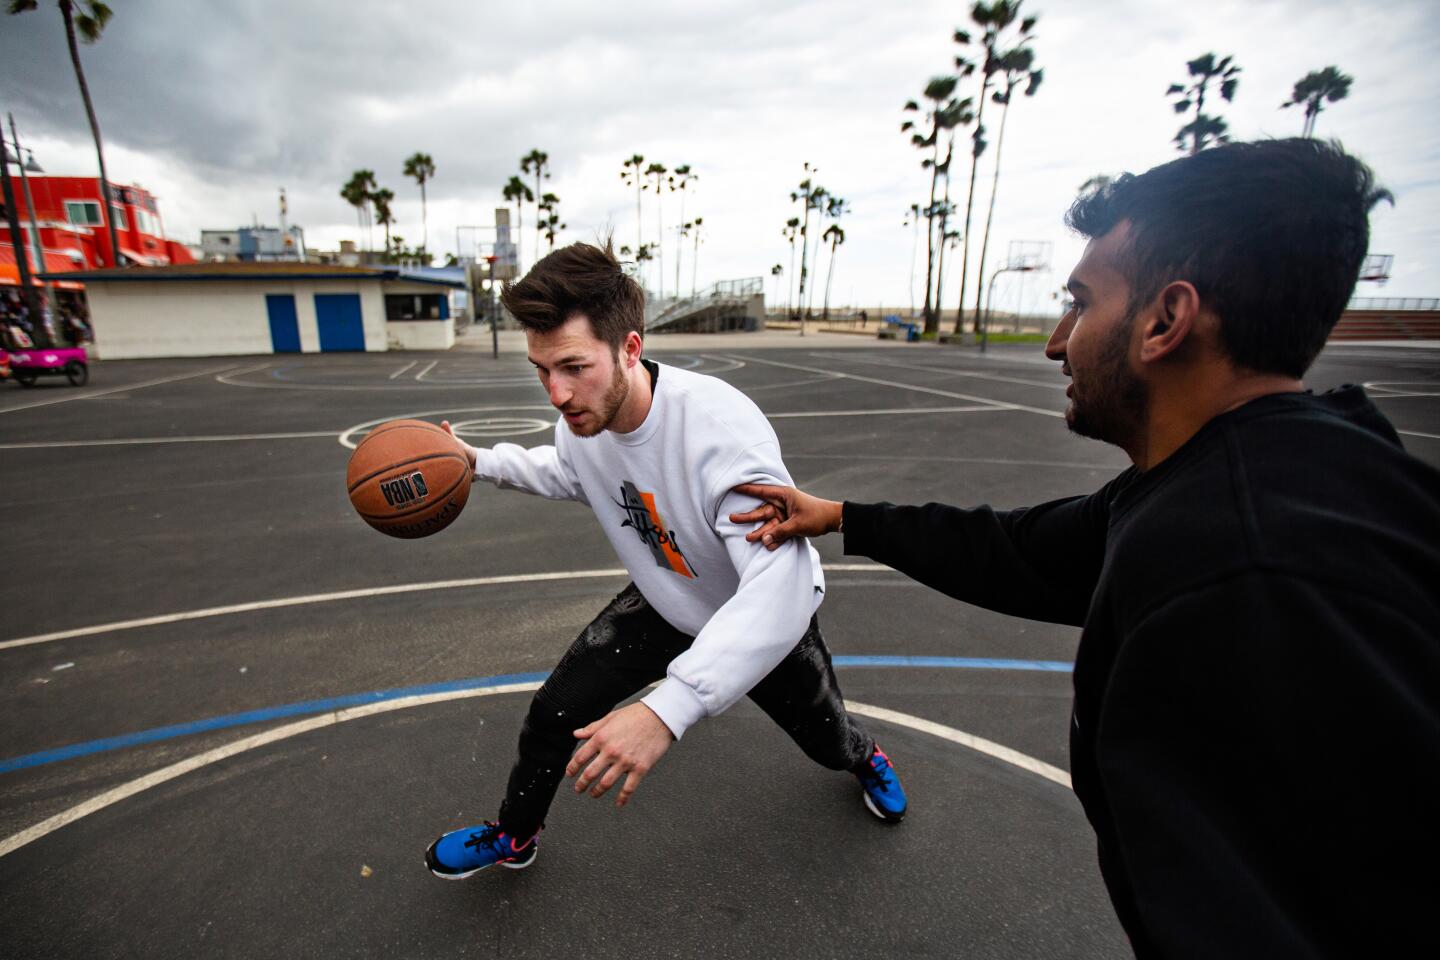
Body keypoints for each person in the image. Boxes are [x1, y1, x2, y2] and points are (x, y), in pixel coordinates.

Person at [729, 139, 1440, 956]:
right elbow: (1020, 550)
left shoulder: (1248, 576)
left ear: (1165, 320)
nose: (1057, 341)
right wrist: (842, 516)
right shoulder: (1258, 479)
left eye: (1081, 302)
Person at [424, 241, 907, 880]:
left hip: (754, 619)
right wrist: (478, 461)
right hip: (666, 601)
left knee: (827, 741)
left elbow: (779, 589)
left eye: (572, 366)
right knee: (552, 713)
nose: (556, 394)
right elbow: (567, 470)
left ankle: (864, 755)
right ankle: (516, 835)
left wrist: (667, 708)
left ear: (629, 347)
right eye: (542, 370)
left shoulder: (721, 436)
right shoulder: (585, 421)